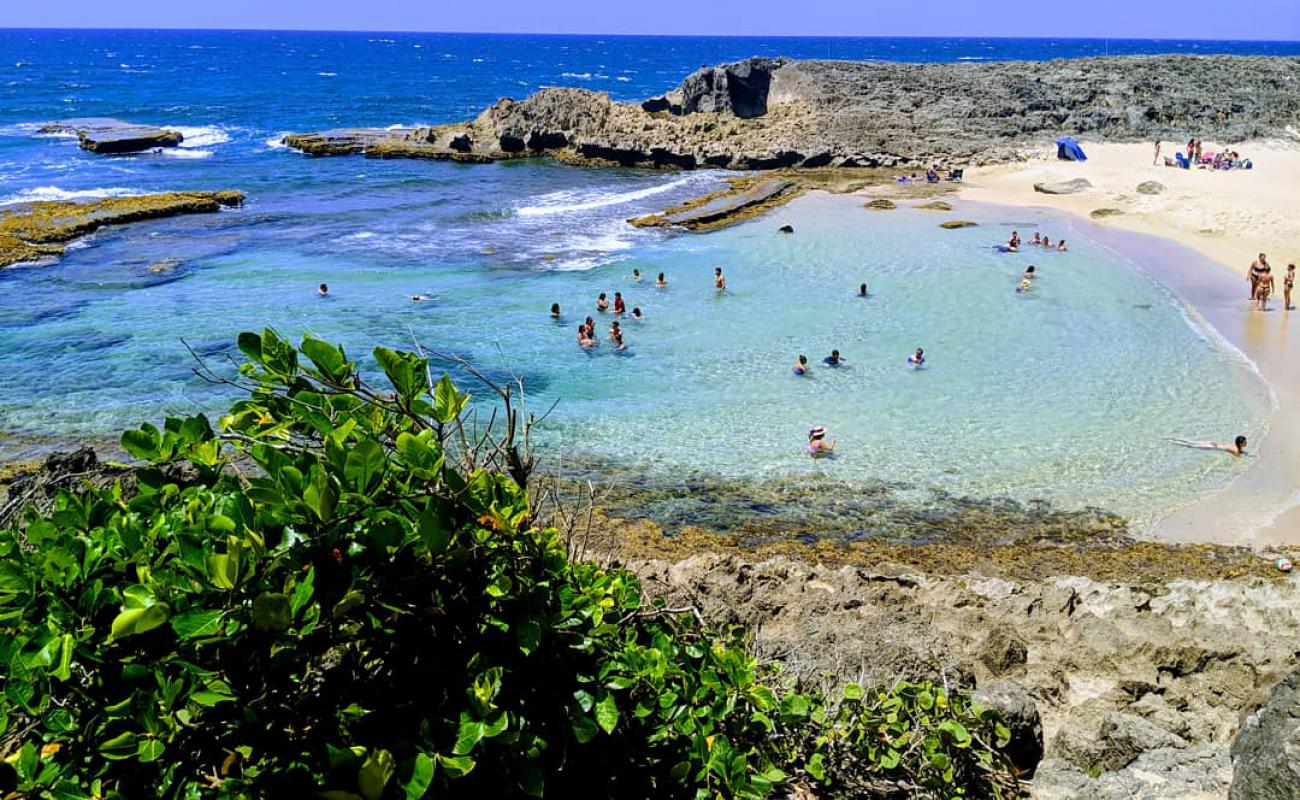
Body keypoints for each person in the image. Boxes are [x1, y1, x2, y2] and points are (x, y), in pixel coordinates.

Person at [1171, 435, 1247, 456]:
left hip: (1213, 443)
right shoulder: (1236, 450)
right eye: (1244, 442)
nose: (1246, 443)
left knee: (1192, 442)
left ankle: (1174, 439)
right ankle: (1175, 443)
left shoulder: (1234, 445)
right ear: (1240, 443)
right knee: (1191, 445)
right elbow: (1237, 456)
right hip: (1212, 447)